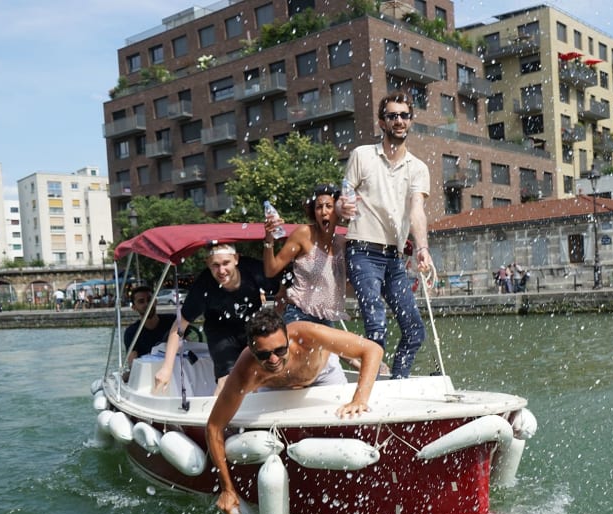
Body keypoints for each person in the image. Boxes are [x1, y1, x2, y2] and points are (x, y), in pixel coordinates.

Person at [205, 308, 383, 514]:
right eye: (264, 354)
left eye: (280, 350)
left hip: (323, 376)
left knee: (348, 420)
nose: (273, 359)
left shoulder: (307, 335)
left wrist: (359, 399)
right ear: (252, 350)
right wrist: (228, 489)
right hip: (275, 388)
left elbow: (372, 350)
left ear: (288, 339)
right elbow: (214, 426)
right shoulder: (246, 369)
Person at [339, 90, 431, 379]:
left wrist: (422, 249)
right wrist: (343, 205)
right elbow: (344, 195)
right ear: (382, 122)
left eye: (404, 115)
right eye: (392, 116)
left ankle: (397, 382)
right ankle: (370, 388)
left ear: (411, 122)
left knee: (415, 330)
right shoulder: (361, 156)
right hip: (362, 251)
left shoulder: (418, 168)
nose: (399, 121)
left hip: (394, 259)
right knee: (376, 324)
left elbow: (416, 210)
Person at [153, 243, 280, 395]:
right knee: (227, 380)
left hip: (253, 326)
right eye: (215, 265)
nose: (221, 271)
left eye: (226, 263)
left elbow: (284, 291)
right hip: (220, 331)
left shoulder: (255, 270)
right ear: (208, 264)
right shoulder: (203, 286)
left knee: (262, 373)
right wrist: (166, 369)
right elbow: (179, 326)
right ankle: (216, 416)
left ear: (236, 259)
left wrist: (277, 323)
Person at [262, 184, 348, 326]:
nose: (323, 212)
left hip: (327, 319)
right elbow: (271, 270)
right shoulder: (303, 234)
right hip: (299, 314)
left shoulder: (343, 243)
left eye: (329, 206)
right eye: (319, 207)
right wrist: (269, 239)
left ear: (338, 211)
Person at [122, 285, 175, 381]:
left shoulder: (172, 321)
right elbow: (133, 364)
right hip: (147, 374)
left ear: (155, 302)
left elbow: (188, 344)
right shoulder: (132, 332)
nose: (147, 304)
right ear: (134, 307)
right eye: (141, 301)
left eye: (150, 300)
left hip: (175, 368)